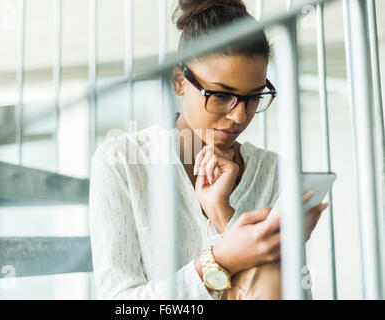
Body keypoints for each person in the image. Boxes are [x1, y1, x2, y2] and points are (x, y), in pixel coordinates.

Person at [89, 0, 328, 300]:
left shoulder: (273, 173)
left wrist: (222, 215)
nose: (239, 116)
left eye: (254, 97)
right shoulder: (122, 162)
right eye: (221, 95)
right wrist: (220, 259)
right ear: (179, 80)